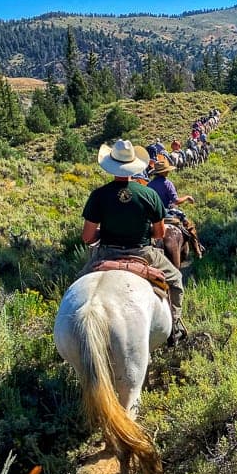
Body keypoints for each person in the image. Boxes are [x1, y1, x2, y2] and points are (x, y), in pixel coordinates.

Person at [80, 139, 187, 346]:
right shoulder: (149, 194)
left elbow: (87, 237)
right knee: (176, 280)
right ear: (135, 164)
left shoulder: (98, 195)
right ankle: (175, 327)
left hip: (106, 254)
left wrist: (104, 232)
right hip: (144, 254)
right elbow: (158, 234)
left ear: (110, 165)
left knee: (76, 287)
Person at [147, 155, 195, 221]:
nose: (168, 172)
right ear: (164, 172)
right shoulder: (167, 183)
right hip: (165, 211)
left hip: (152, 213)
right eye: (167, 171)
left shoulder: (149, 184)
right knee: (185, 221)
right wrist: (187, 197)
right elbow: (176, 201)